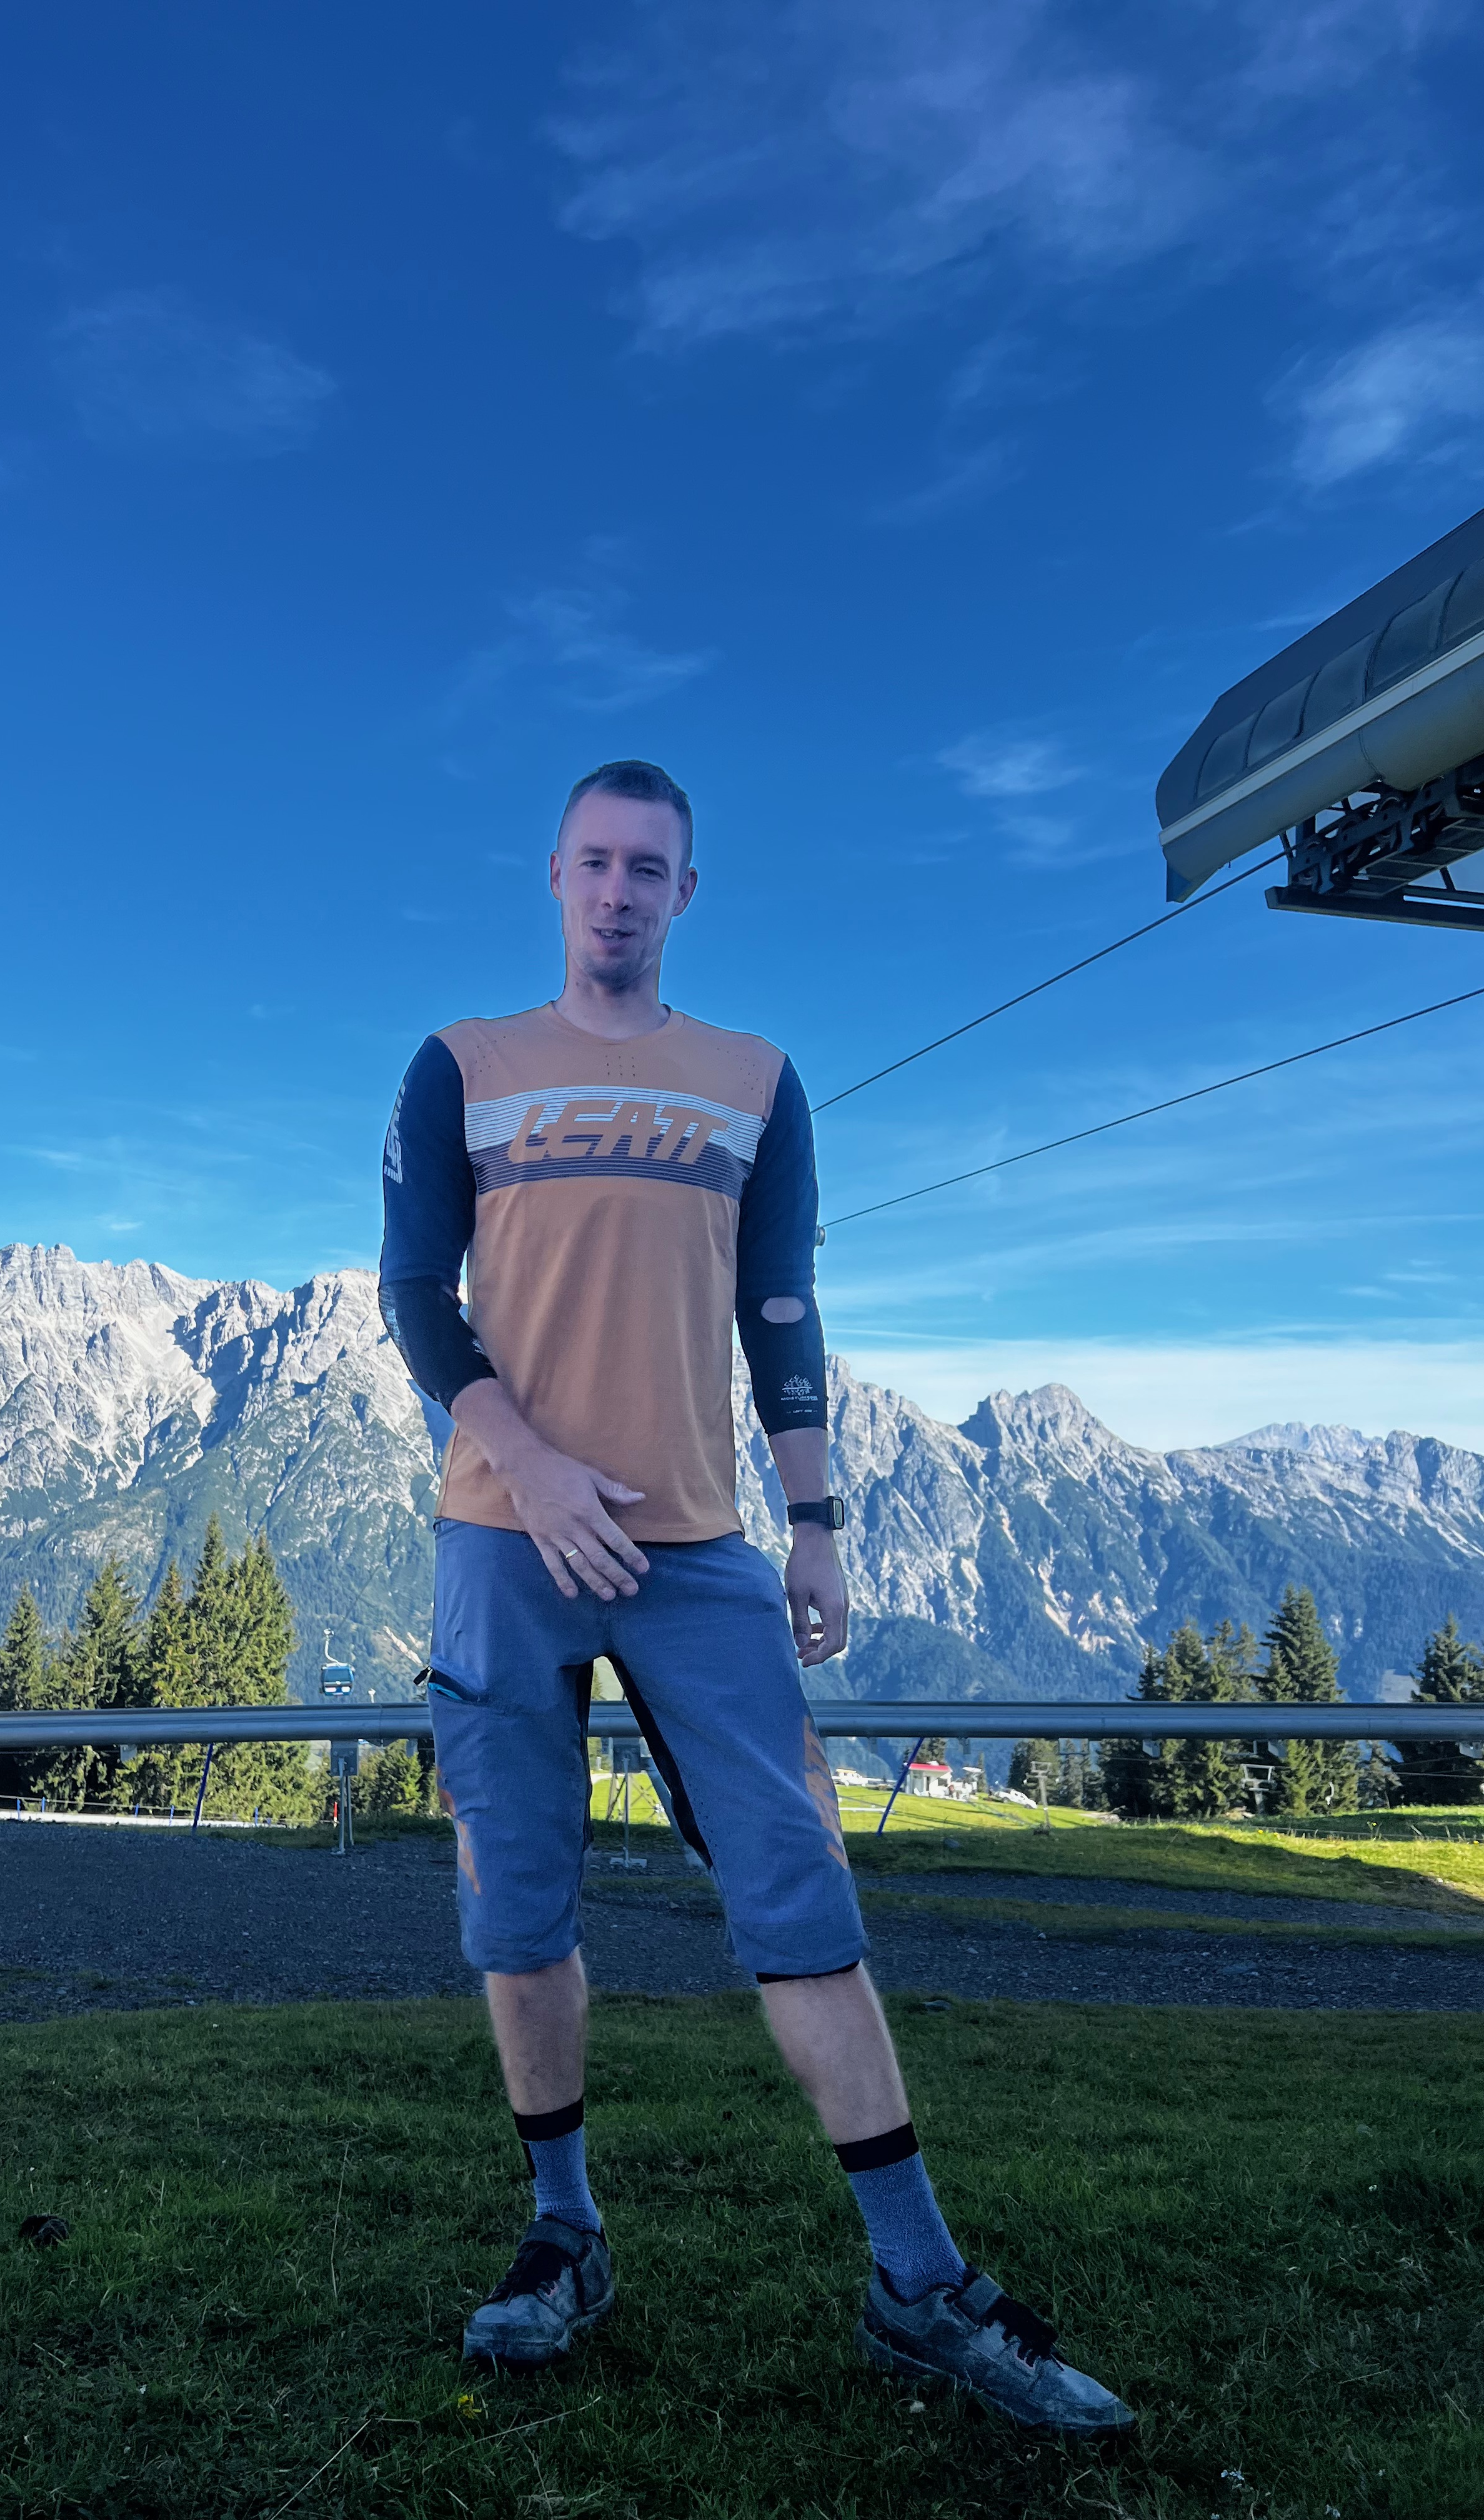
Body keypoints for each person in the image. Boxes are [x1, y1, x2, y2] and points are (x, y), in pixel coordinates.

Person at [377, 759, 1132, 2436]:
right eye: (595, 861)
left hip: (699, 1550)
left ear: (687, 891)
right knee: (517, 1909)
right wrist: (532, 1466)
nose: (619, 890)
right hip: (503, 1535)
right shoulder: (462, 1066)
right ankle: (564, 2237)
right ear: (554, 876)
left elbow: (781, 1308)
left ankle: (919, 2284)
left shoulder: (756, 1082)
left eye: (649, 866)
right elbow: (415, 1294)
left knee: (802, 1896)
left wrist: (817, 1521)